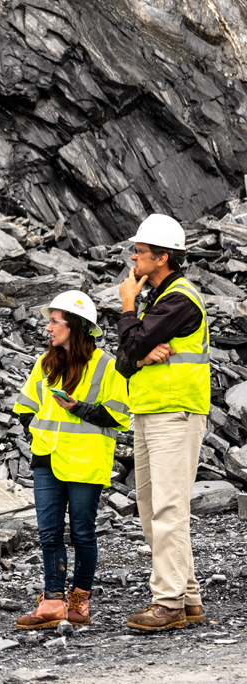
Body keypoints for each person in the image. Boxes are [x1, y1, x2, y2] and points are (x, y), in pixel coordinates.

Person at [13, 290, 130, 629]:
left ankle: (79, 602)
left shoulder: (107, 365)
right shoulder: (44, 362)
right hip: (48, 457)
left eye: (55, 321)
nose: (48, 328)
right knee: (48, 533)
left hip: (86, 461)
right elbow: (25, 406)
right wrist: (34, 434)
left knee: (82, 533)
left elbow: (118, 415)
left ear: (75, 326)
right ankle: (52, 602)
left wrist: (77, 408)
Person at [116, 213, 210, 632]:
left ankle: (168, 603)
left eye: (139, 251)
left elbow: (131, 342)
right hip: (152, 413)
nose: (133, 256)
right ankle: (187, 598)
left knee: (169, 508)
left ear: (163, 256)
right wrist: (138, 352)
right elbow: (124, 359)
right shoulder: (161, 299)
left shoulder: (179, 300)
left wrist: (128, 309)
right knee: (153, 508)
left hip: (176, 412)